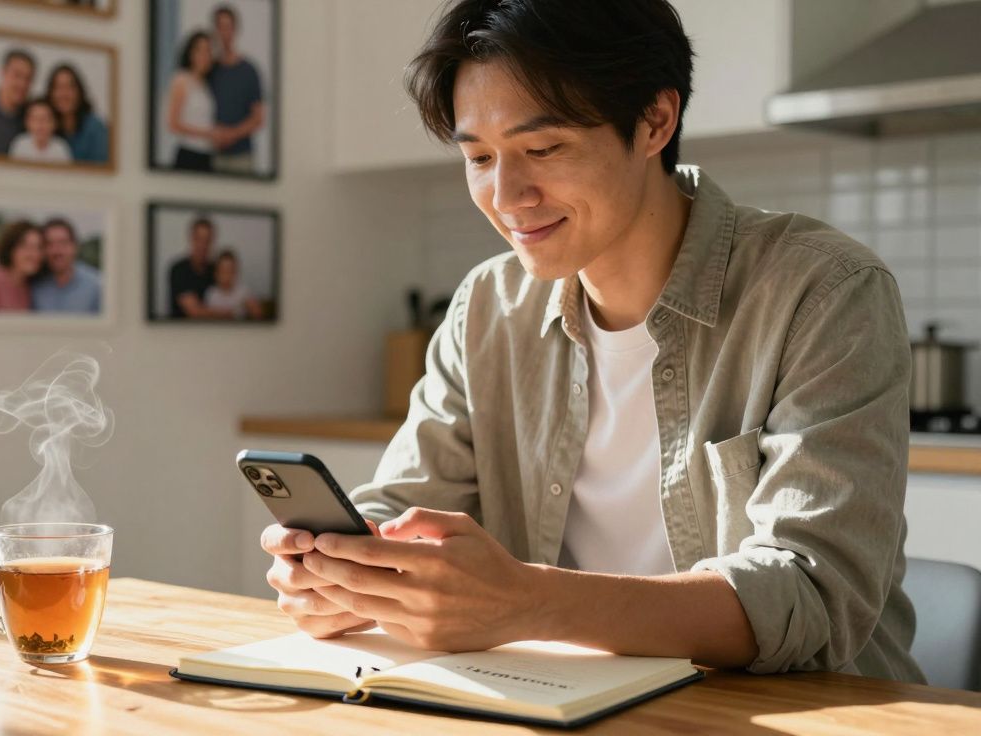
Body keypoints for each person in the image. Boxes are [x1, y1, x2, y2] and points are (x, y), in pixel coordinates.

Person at [260, 0, 925, 684]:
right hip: (565, 705)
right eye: (480, 157)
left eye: (542, 149)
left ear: (654, 122)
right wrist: (339, 572)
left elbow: (810, 596)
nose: (508, 195)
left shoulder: (823, 290)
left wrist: (524, 602)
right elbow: (402, 505)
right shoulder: (489, 306)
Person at [207, 5, 265, 174]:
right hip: (213, 154)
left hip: (242, 156)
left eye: (228, 27)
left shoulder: (249, 71)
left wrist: (231, 134)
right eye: (220, 27)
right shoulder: (210, 70)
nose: (224, 33)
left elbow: (258, 118)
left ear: (235, 30)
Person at [166, 31, 219, 172]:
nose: (204, 56)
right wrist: (208, 133)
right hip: (189, 153)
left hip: (207, 154)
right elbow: (173, 124)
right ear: (190, 53)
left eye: (208, 51)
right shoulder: (181, 80)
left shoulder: (206, 85)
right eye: (200, 50)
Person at [30, 218, 102, 314]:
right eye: (49, 244)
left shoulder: (97, 286)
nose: (56, 251)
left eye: (63, 243)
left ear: (75, 247)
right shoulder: (32, 284)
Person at [167, 216, 229, 319]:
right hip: (182, 333)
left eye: (207, 240)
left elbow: (230, 294)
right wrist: (229, 312)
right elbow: (194, 312)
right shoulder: (178, 269)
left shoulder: (216, 270)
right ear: (191, 238)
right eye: (199, 239)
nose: (203, 245)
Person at [47, 63, 110, 164]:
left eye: (69, 87)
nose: (64, 93)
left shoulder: (96, 128)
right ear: (50, 93)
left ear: (79, 92)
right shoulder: (43, 126)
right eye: (58, 87)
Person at [203, 249, 263, 320]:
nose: (227, 275)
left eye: (231, 270)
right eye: (223, 271)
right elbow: (206, 317)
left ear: (236, 272)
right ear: (216, 274)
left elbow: (258, 313)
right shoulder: (211, 294)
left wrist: (253, 308)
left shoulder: (243, 291)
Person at [9, 98, 73, 163]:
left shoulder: (61, 147)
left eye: (45, 119)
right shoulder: (20, 144)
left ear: (55, 123)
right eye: (35, 118)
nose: (40, 124)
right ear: (27, 122)